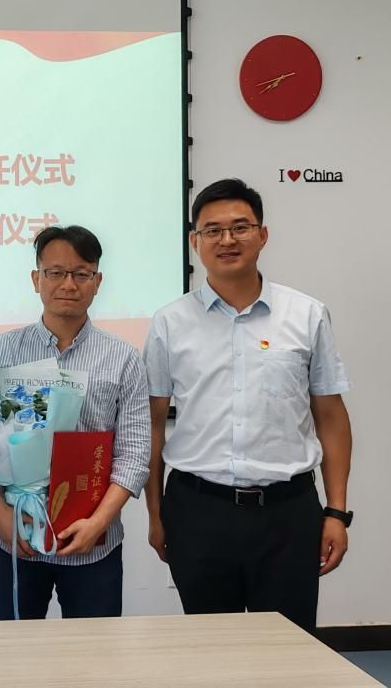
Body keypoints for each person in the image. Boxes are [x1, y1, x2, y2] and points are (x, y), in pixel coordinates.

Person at [143, 178, 353, 633]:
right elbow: (153, 425)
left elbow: (331, 416)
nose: (227, 239)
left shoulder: (307, 314)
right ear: (195, 242)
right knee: (209, 647)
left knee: (287, 649)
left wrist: (336, 512)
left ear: (263, 235)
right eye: (212, 230)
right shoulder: (169, 323)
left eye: (240, 227)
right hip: (197, 510)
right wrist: (155, 515)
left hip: (288, 512)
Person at [0, 225, 150, 620]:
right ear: (37, 279)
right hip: (16, 536)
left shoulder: (124, 358)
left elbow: (134, 454)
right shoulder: (3, 350)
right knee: (14, 651)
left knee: (94, 653)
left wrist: (99, 522)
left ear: (97, 281)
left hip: (93, 543)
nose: (68, 284)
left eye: (81, 273)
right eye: (56, 272)